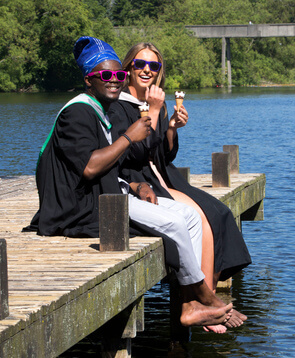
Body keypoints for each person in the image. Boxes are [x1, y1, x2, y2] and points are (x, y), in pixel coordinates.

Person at [25, 36, 236, 329]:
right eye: (106, 76)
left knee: (188, 216)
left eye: (118, 75)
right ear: (89, 80)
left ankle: (189, 303)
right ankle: (204, 296)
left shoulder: (102, 108)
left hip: (114, 194)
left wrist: (136, 185)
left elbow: (124, 163)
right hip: (84, 208)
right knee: (175, 224)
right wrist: (129, 137)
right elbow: (89, 168)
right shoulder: (76, 112)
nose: (114, 81)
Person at [107, 42, 250, 332]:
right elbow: (133, 154)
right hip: (137, 177)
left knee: (219, 212)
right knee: (198, 217)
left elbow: (163, 154)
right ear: (128, 68)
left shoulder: (153, 98)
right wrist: (157, 113)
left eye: (154, 66)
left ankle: (205, 297)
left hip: (162, 172)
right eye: (140, 64)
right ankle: (200, 302)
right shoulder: (119, 105)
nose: (147, 70)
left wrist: (171, 128)